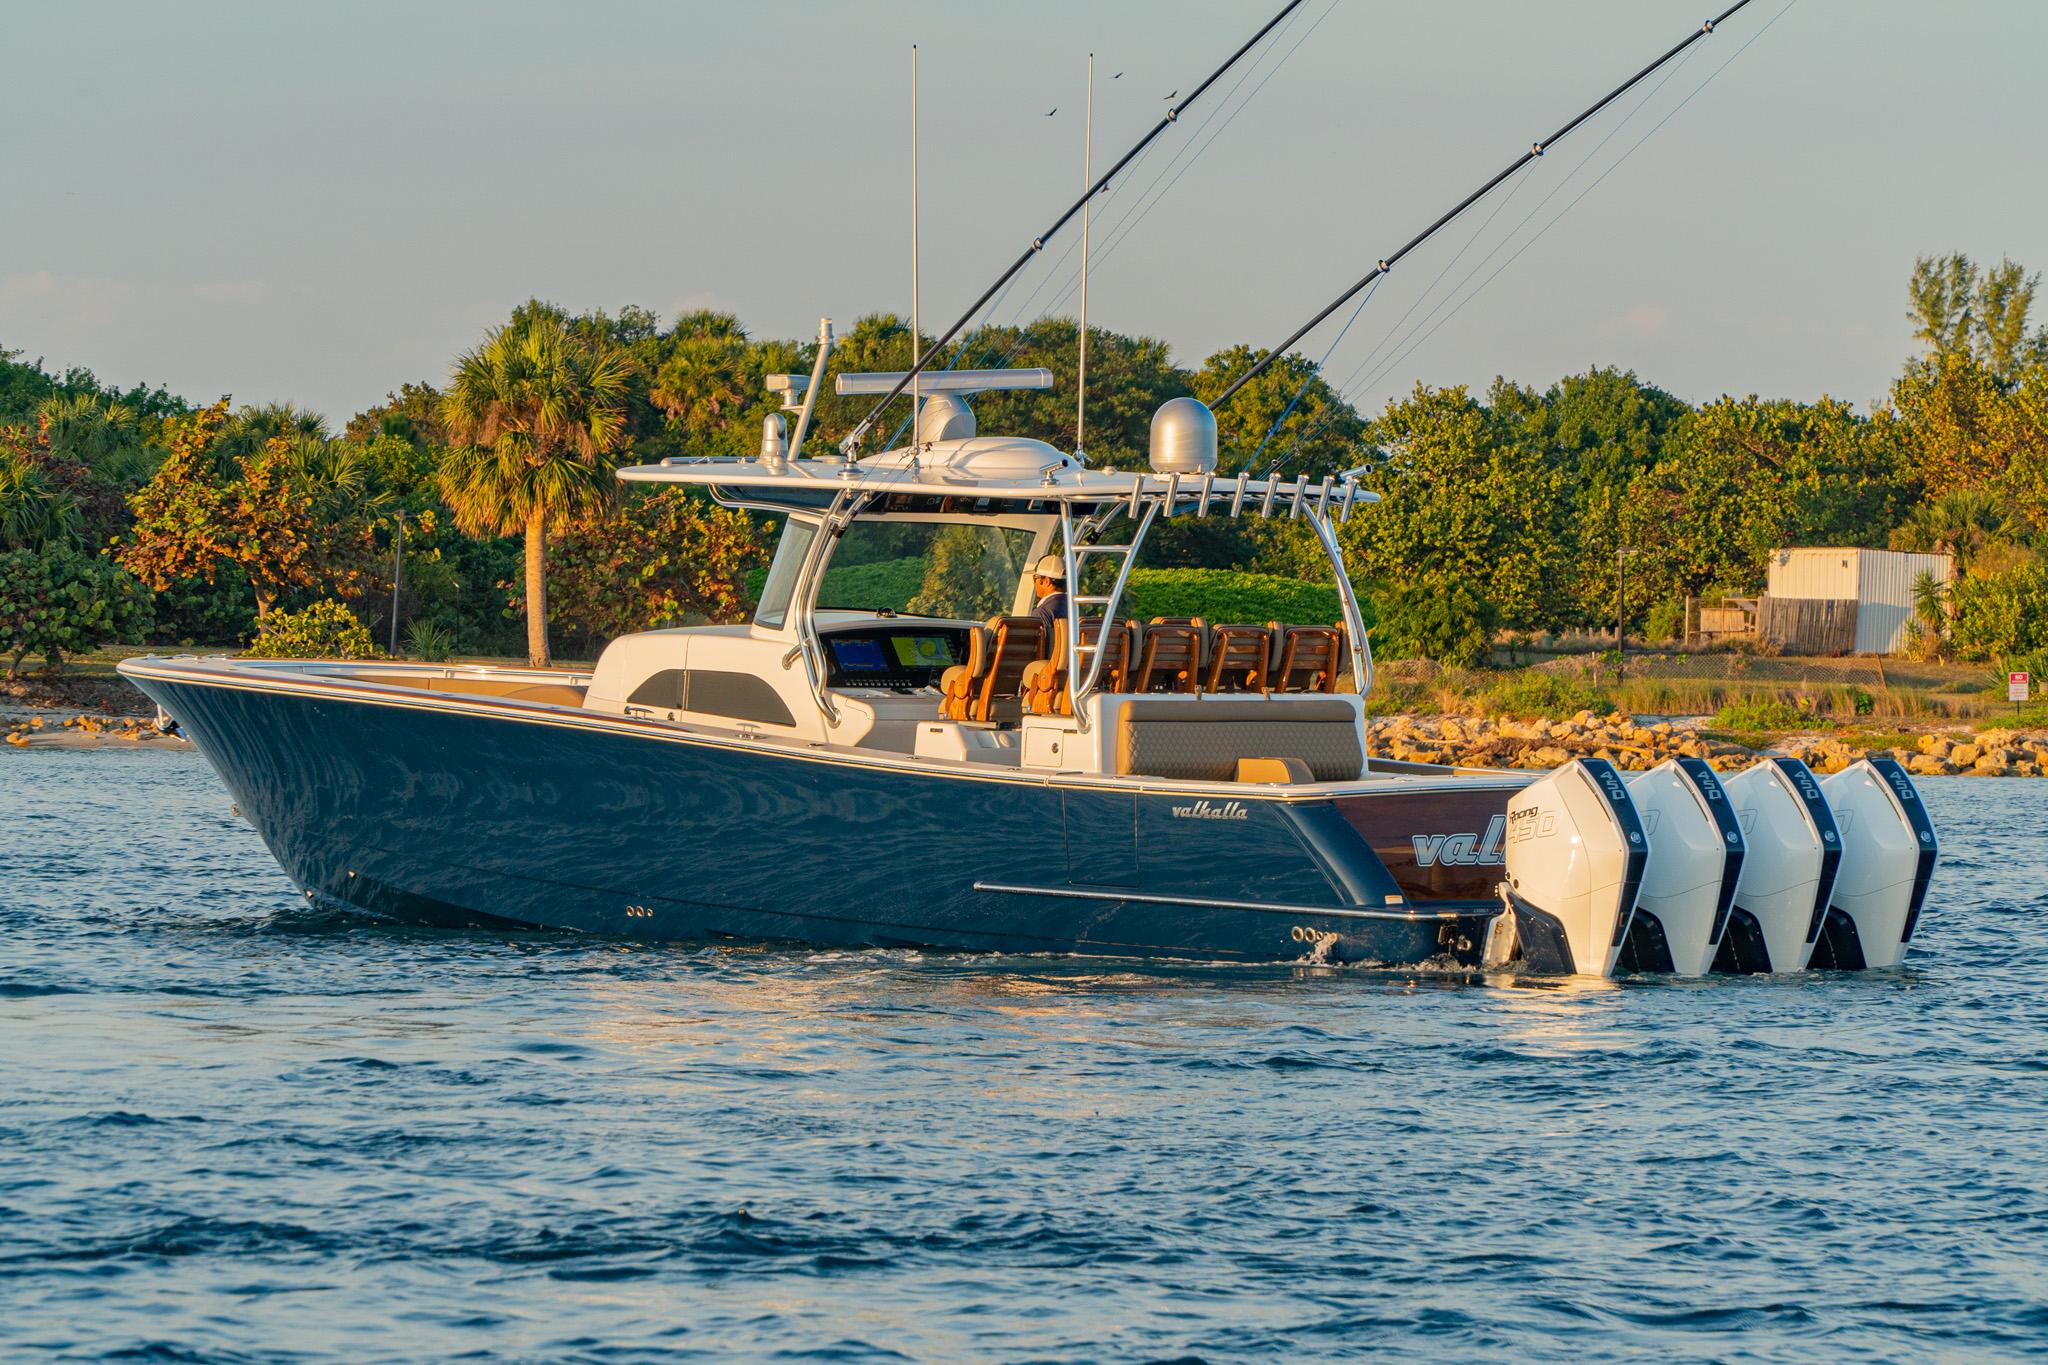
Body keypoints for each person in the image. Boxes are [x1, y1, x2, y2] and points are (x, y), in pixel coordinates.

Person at [1030, 555, 1069, 636]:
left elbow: (1042, 646)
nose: (1034, 583)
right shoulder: (1075, 606)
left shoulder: (1042, 612)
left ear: (1046, 581)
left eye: (1035, 578)